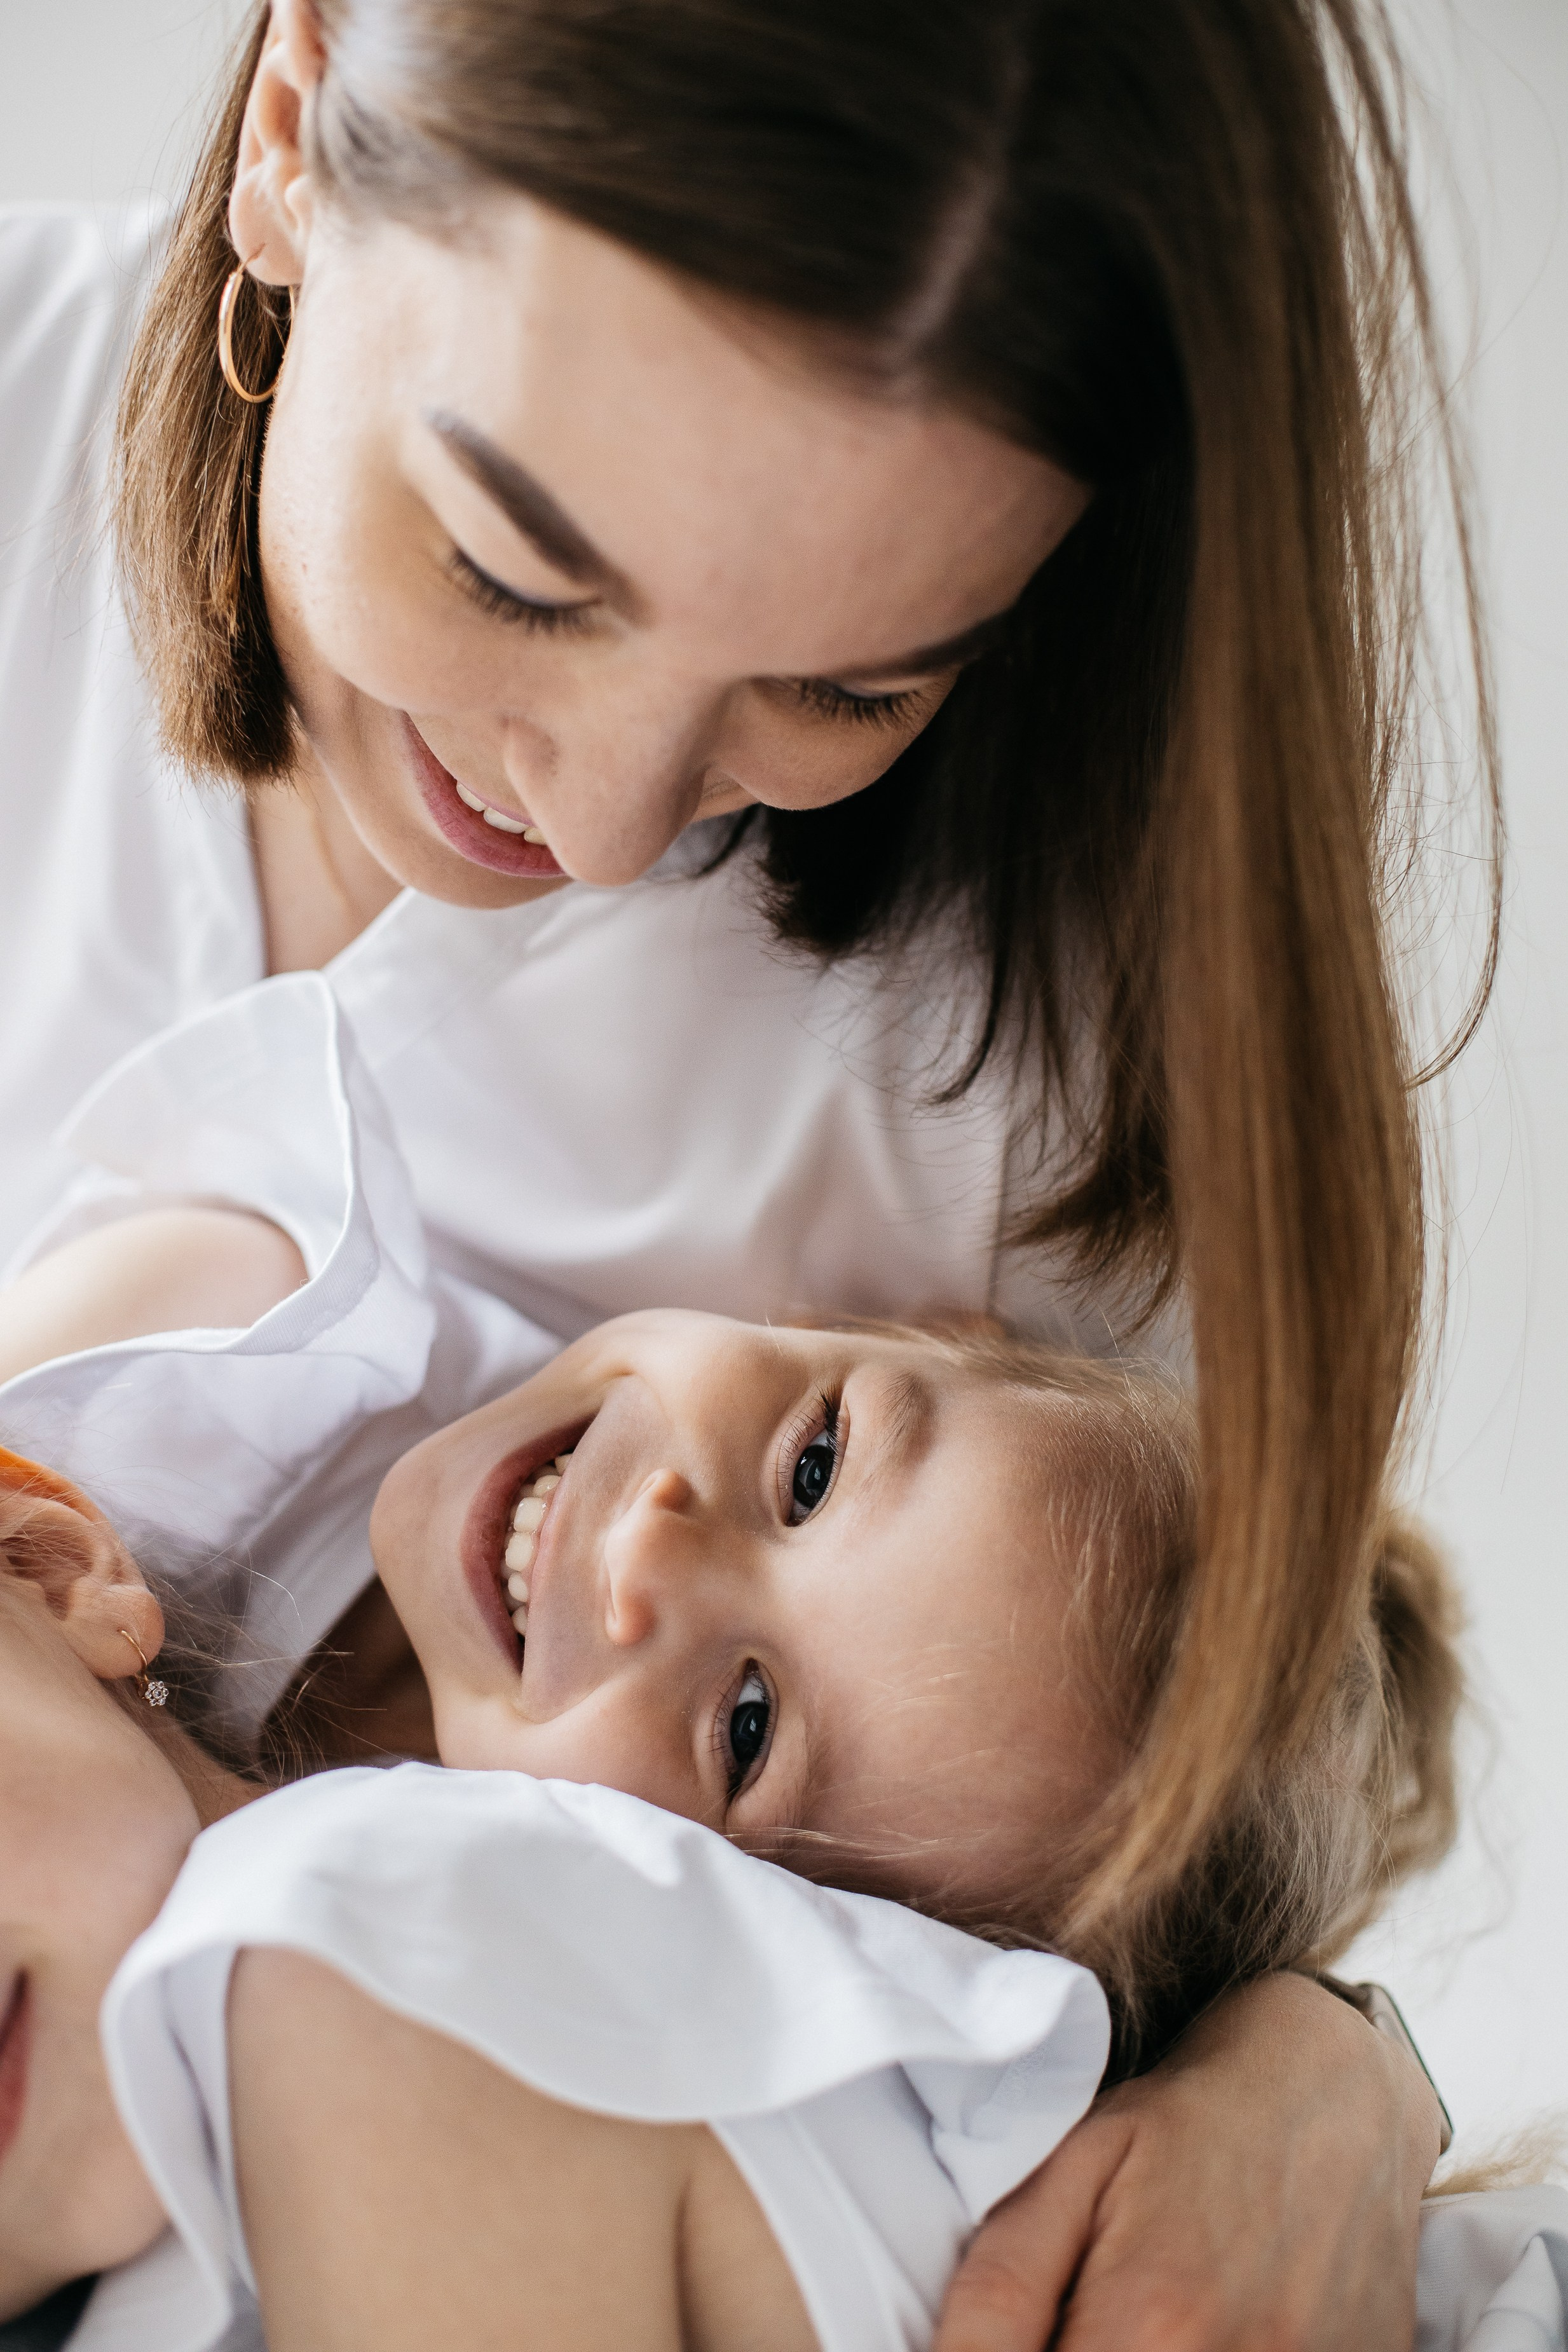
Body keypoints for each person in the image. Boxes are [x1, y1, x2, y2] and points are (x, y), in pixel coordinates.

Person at [0, 0, 1496, 2339]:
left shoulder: (1016, 1085)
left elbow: (1122, 1803)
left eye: (847, 688)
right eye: (512, 568)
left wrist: (1306, 2066)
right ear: (292, 126)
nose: (600, 820)